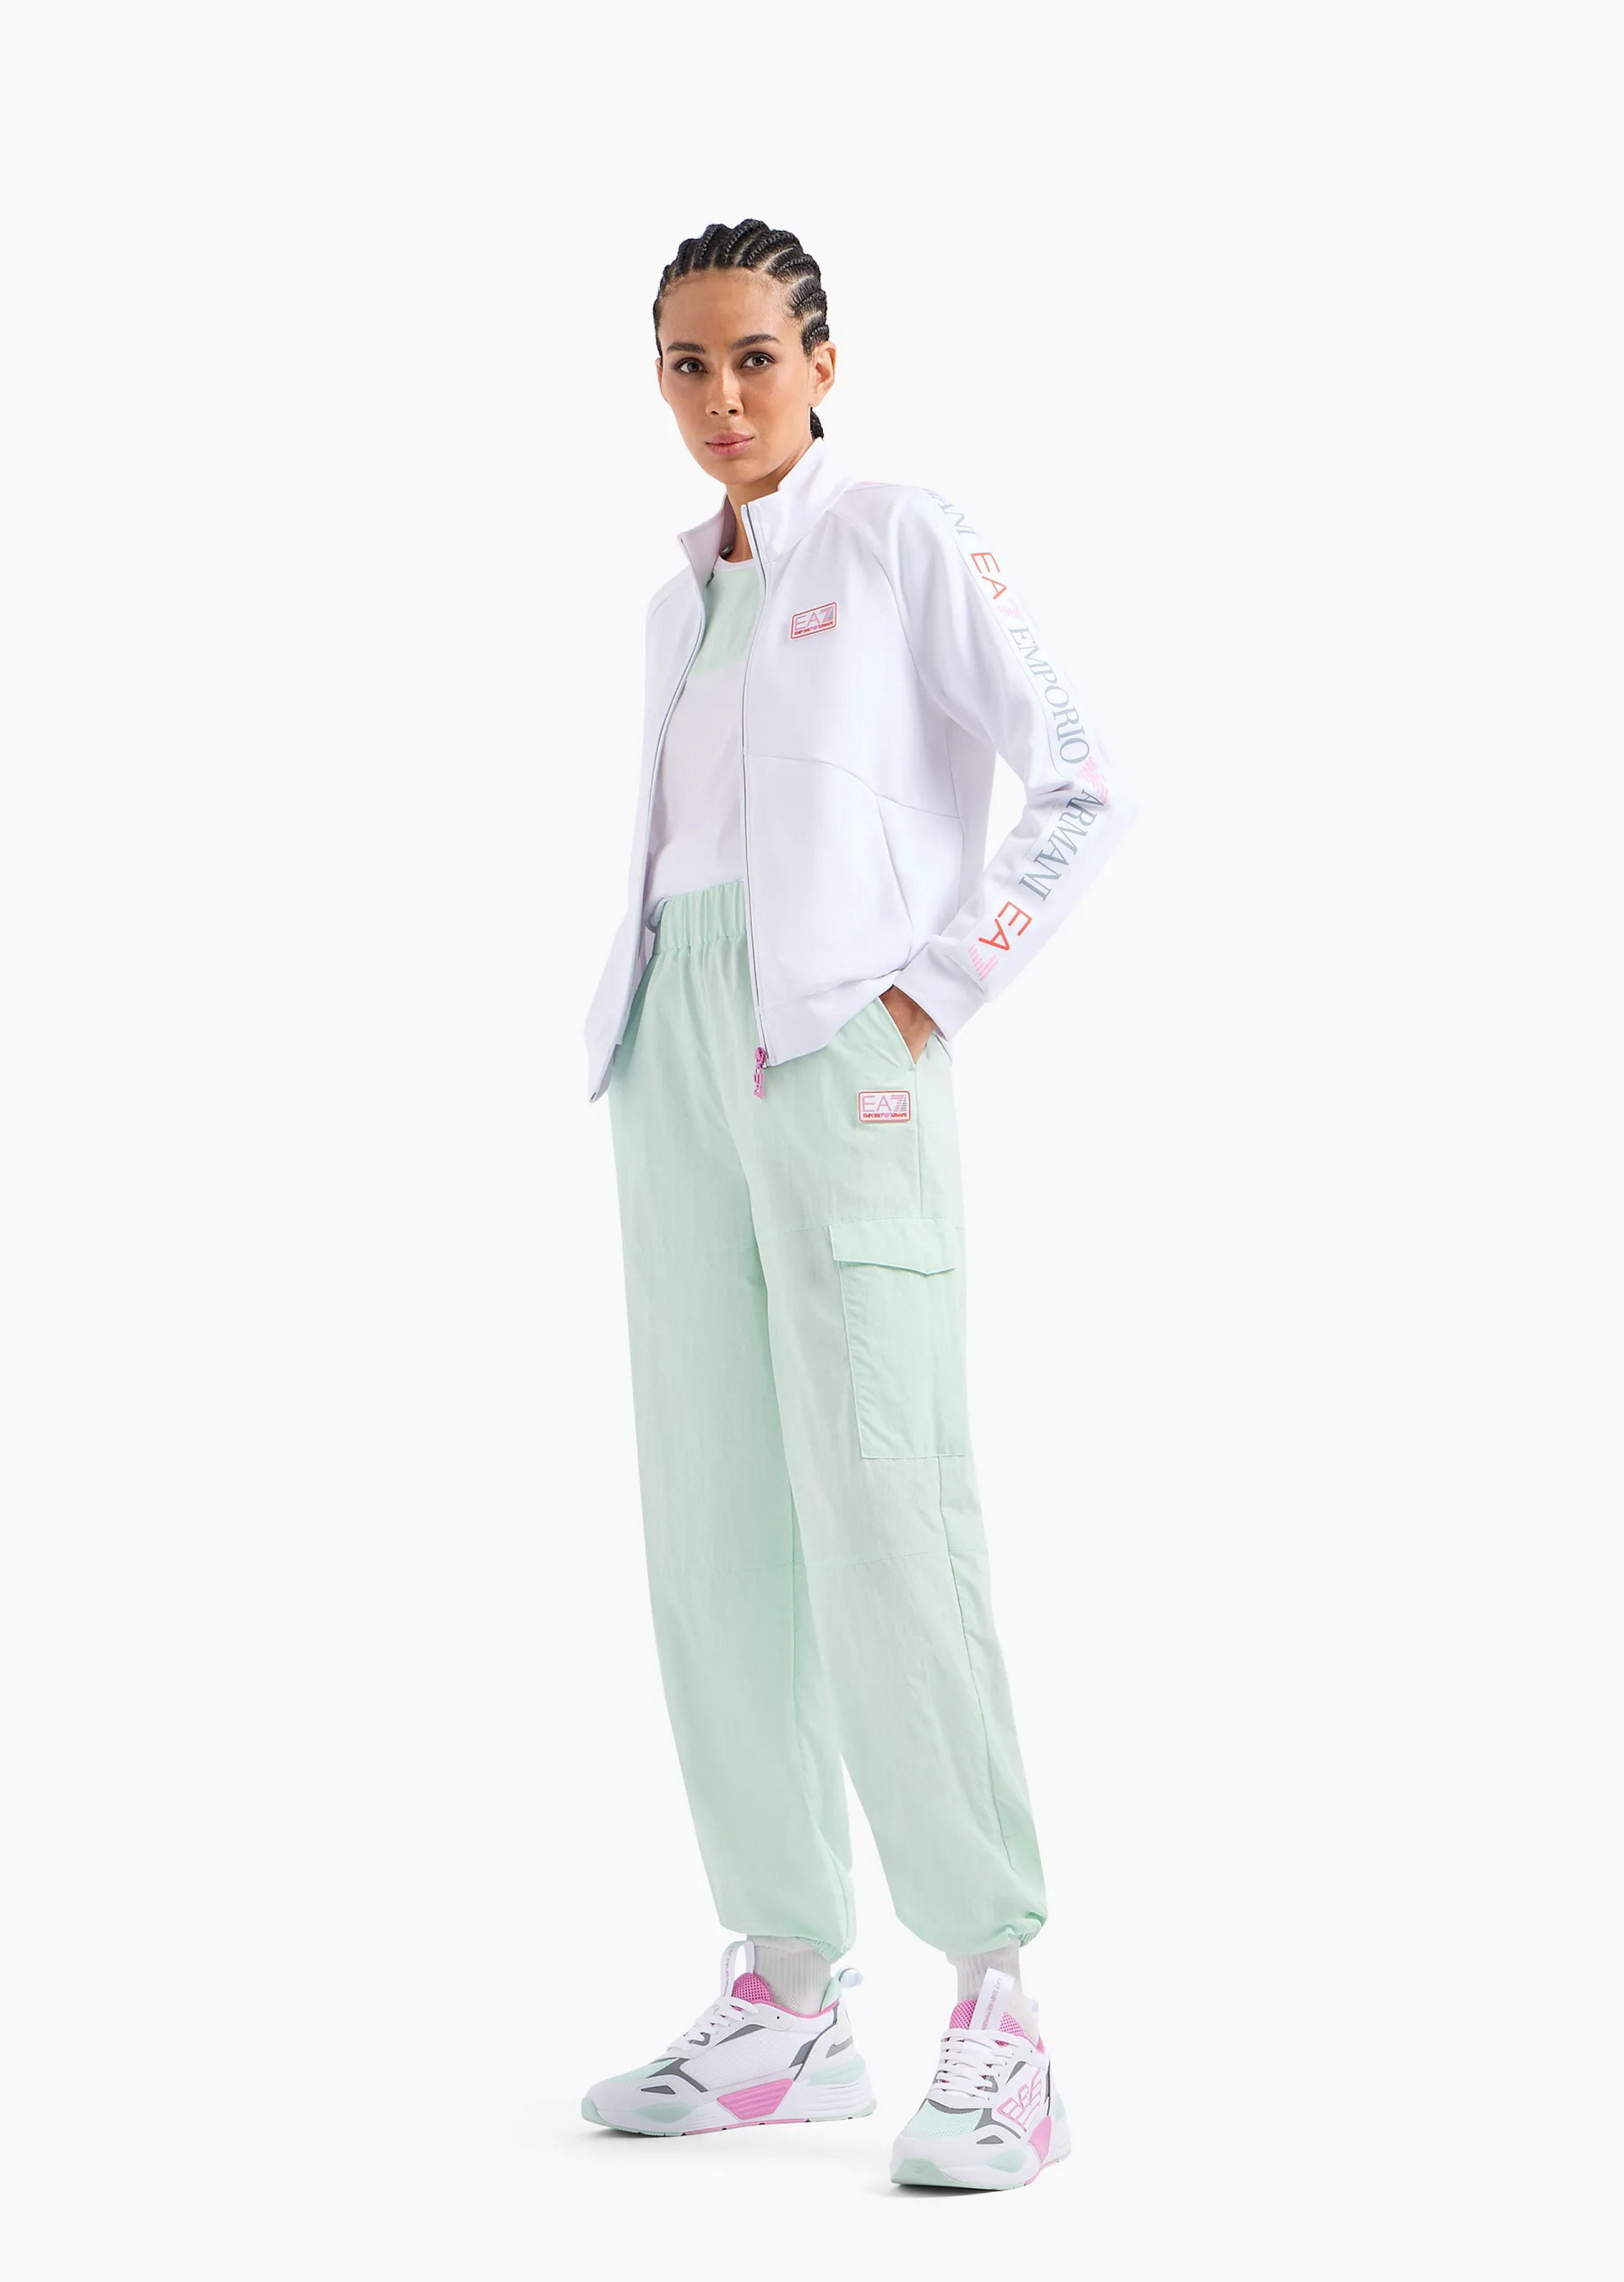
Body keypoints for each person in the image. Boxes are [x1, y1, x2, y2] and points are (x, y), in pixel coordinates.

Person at [580, 218, 1135, 2192]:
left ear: (820, 360)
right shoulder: (675, 604)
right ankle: (787, 1995)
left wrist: (933, 989)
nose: (718, 397)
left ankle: (998, 2007)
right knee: (712, 1528)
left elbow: (1080, 782)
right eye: (684, 363)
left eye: (752, 356)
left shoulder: (898, 537)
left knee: (887, 1508)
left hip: (840, 1058)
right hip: (670, 1048)